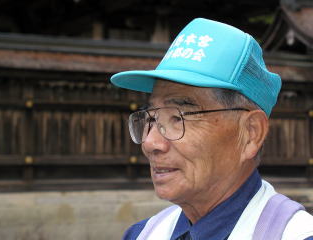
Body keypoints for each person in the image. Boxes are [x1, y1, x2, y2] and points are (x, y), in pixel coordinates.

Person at [111, 18, 313, 240]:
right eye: (152, 118)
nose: (151, 143)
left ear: (250, 133)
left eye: (179, 118)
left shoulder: (295, 235)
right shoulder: (142, 234)